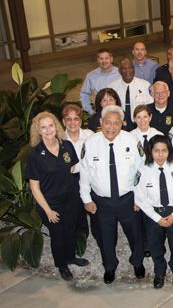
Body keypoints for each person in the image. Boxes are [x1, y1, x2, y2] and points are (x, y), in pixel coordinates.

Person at [79, 105, 145, 284]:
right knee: (105, 236)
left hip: (128, 199)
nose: (111, 127)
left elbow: (141, 171)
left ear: (122, 124)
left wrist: (139, 198)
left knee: (135, 234)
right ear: (101, 122)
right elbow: (84, 173)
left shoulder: (131, 141)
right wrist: (86, 198)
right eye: (108, 122)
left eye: (116, 123)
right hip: (102, 202)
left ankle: (137, 262)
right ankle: (110, 266)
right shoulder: (91, 143)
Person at [25, 112, 89, 281]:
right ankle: (61, 265)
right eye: (43, 127)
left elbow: (70, 169)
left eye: (50, 125)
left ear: (56, 126)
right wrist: (48, 211)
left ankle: (71, 257)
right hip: (50, 202)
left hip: (70, 198)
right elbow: (35, 188)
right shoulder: (35, 155)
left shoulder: (66, 145)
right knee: (58, 234)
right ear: (38, 131)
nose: (48, 130)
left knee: (71, 229)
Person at [134, 135, 173, 288]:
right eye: (156, 150)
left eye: (164, 150)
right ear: (150, 151)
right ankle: (160, 271)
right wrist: (156, 218)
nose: (160, 154)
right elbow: (140, 197)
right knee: (155, 245)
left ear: (169, 151)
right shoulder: (143, 169)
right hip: (153, 214)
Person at [130, 104, 164, 258]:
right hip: (137, 180)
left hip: (155, 179)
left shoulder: (158, 135)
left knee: (154, 212)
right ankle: (144, 245)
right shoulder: (129, 137)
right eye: (138, 117)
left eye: (145, 116)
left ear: (150, 117)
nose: (142, 120)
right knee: (140, 216)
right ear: (134, 119)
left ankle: (156, 243)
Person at [62, 104, 95, 241]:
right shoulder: (60, 139)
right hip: (71, 178)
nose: (72, 122)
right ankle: (80, 237)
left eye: (76, 119)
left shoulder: (90, 135)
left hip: (90, 177)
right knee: (76, 209)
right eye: (68, 119)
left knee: (93, 206)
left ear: (81, 121)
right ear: (63, 121)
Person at [109, 58, 153, 129]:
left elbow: (150, 107)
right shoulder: (112, 87)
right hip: (119, 126)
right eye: (124, 68)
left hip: (140, 125)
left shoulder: (145, 85)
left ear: (134, 69)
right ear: (120, 71)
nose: (127, 71)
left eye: (130, 68)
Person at [80, 48, 120, 115]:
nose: (104, 61)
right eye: (101, 58)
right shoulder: (91, 76)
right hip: (100, 113)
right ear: (98, 60)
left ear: (111, 59)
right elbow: (84, 94)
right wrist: (90, 111)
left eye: (106, 58)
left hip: (118, 111)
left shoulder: (120, 73)